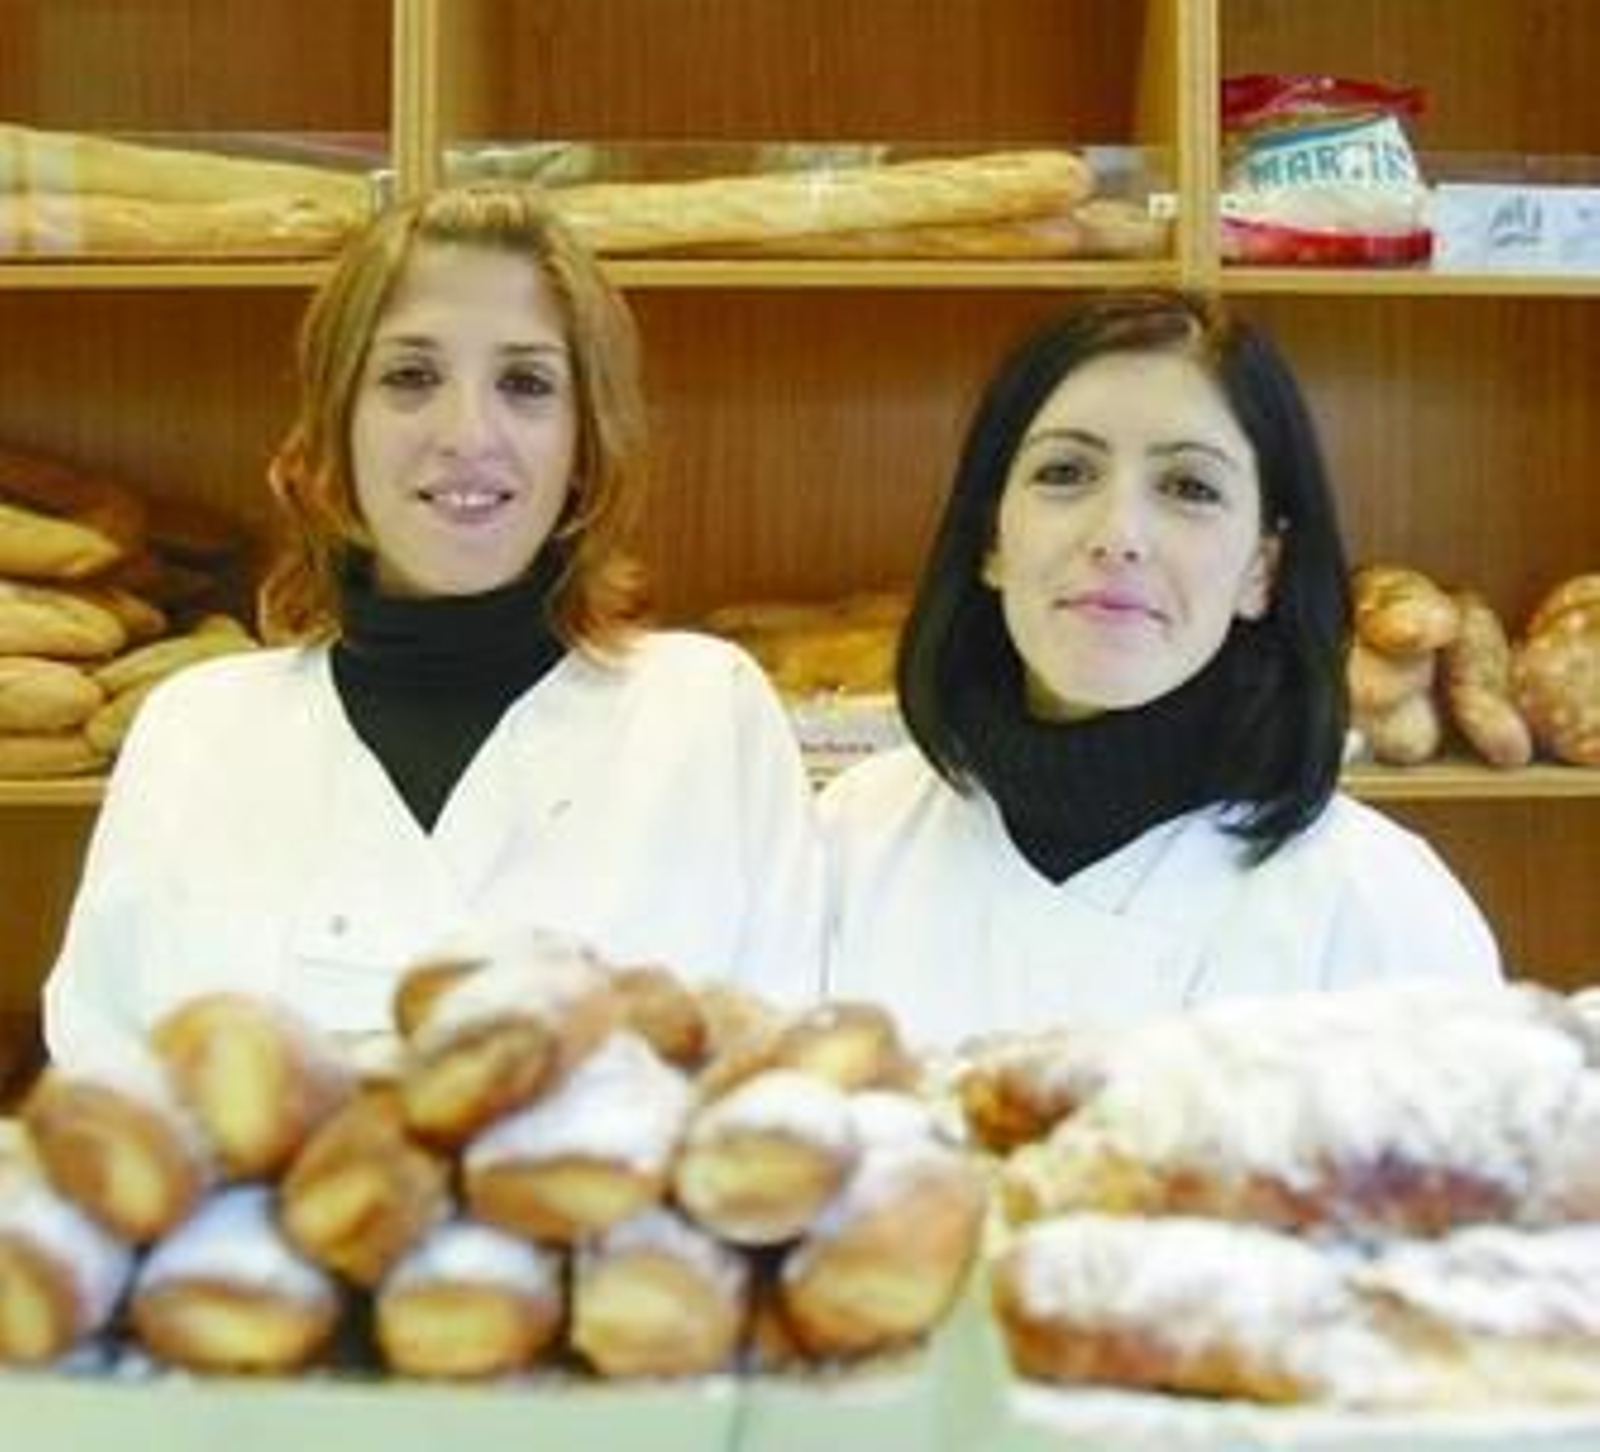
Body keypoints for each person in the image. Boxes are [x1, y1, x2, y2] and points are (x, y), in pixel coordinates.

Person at [45, 185, 825, 1064]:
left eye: (526, 383)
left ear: (584, 444)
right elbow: (105, 1089)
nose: (467, 432)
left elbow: (771, 1098)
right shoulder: (197, 731)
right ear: (337, 424)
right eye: (411, 377)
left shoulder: (705, 713)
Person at [819, 290, 1501, 1049]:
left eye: (1189, 488)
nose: (1118, 536)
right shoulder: (851, 840)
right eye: (1066, 472)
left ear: (1261, 570)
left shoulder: (1377, 905)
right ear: (992, 539)